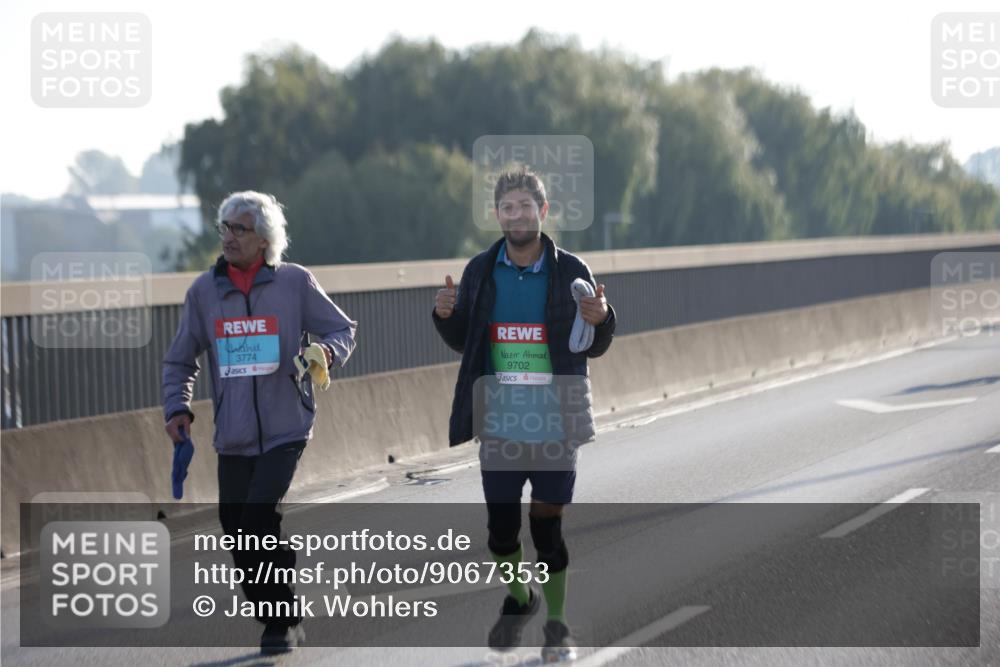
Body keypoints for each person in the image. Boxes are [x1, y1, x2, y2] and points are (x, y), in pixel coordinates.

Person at [432, 166, 616, 662]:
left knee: (547, 526)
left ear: (543, 211)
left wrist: (602, 321)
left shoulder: (571, 270)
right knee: (500, 535)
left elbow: (594, 340)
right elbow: (464, 340)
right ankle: (521, 599)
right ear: (498, 215)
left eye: (525, 206)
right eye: (507, 208)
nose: (517, 215)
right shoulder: (479, 271)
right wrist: (445, 316)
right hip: (498, 417)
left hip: (556, 417)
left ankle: (557, 629)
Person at [162, 191, 357, 655]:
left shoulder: (294, 283)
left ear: (264, 239)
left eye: (239, 229)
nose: (228, 237)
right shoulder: (204, 292)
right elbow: (179, 360)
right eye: (224, 228)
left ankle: (281, 623)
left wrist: (324, 353)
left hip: (287, 426)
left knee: (256, 519)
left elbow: (342, 329)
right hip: (233, 434)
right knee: (236, 529)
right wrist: (177, 408)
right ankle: (275, 611)